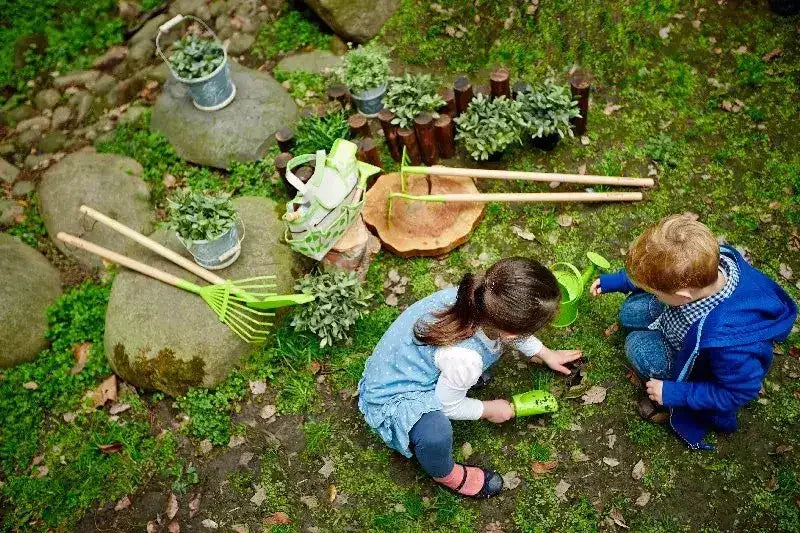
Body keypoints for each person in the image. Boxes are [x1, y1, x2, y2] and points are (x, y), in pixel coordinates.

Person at [358, 257, 582, 498]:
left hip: (402, 362)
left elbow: (512, 331)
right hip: (391, 396)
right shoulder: (466, 360)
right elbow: (448, 406)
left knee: (461, 375)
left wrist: (544, 353)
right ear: (511, 333)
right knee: (435, 432)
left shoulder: (480, 297)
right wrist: (488, 409)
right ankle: (444, 473)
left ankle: (452, 382)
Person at [591, 214, 797, 449]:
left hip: (693, 358)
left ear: (682, 296)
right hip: (681, 320)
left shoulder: (731, 346)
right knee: (630, 311)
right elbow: (656, 273)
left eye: (655, 292)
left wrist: (675, 393)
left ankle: (664, 373)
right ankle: (656, 317)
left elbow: (738, 393)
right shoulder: (710, 263)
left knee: (636, 344)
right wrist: (617, 282)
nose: (652, 293)